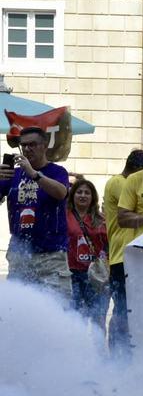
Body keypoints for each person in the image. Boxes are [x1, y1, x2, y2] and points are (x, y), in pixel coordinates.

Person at [0, 127, 72, 298]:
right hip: (20, 253)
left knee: (57, 308)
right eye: (23, 145)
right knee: (18, 308)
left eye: (32, 145)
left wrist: (33, 174)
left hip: (51, 255)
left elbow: (61, 193)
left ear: (45, 146)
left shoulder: (57, 171)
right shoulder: (13, 174)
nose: (26, 149)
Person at [103, 149, 143, 359]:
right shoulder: (119, 183)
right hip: (122, 257)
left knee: (134, 309)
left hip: (137, 258)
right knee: (123, 309)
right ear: (138, 169)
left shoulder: (129, 183)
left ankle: (128, 353)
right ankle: (118, 355)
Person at [65, 179, 109, 329]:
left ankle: (97, 351)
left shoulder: (101, 219)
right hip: (72, 274)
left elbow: (108, 244)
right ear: (72, 195)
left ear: (92, 197)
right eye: (79, 192)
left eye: (87, 193)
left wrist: (103, 258)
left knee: (98, 318)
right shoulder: (64, 216)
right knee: (75, 318)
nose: (83, 195)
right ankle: (77, 350)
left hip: (95, 276)